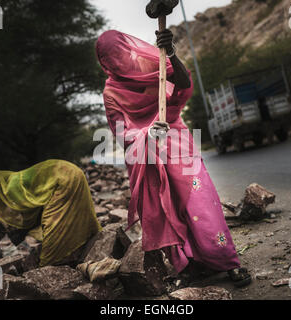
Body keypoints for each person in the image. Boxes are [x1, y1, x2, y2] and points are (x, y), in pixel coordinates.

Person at [96, 29, 251, 287]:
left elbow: (183, 84)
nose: (117, 60)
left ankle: (228, 260)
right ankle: (192, 264)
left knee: (199, 203)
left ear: (128, 47)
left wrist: (172, 54)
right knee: (167, 211)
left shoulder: (150, 64)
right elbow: (122, 134)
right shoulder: (111, 93)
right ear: (104, 63)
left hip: (178, 143)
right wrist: (147, 133)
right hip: (148, 156)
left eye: (119, 53)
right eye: (109, 57)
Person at [0, 159, 101, 267]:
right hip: (73, 172)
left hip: (65, 179)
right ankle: (89, 242)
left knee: (53, 226)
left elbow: (30, 207)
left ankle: (48, 265)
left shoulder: (12, 186)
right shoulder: (18, 178)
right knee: (78, 212)